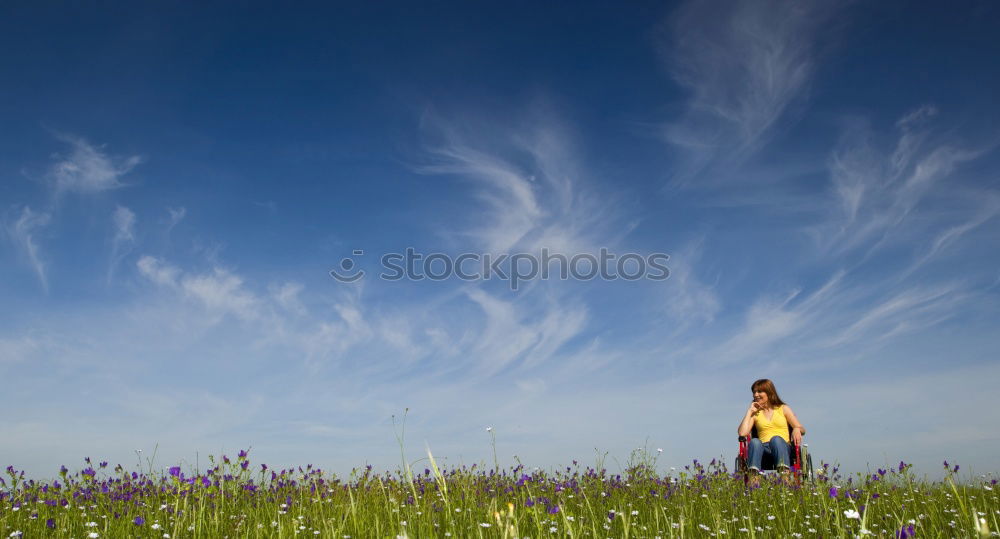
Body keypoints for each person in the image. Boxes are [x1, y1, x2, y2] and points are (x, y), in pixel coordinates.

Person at [737, 379, 806, 480]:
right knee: (755, 442)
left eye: (759, 391)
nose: (756, 395)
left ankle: (784, 479)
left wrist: (796, 428)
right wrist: (749, 411)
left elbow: (802, 429)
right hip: (763, 449)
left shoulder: (783, 408)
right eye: (754, 392)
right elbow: (742, 433)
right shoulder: (755, 413)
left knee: (776, 439)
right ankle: (754, 481)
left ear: (769, 392)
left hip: (782, 446)